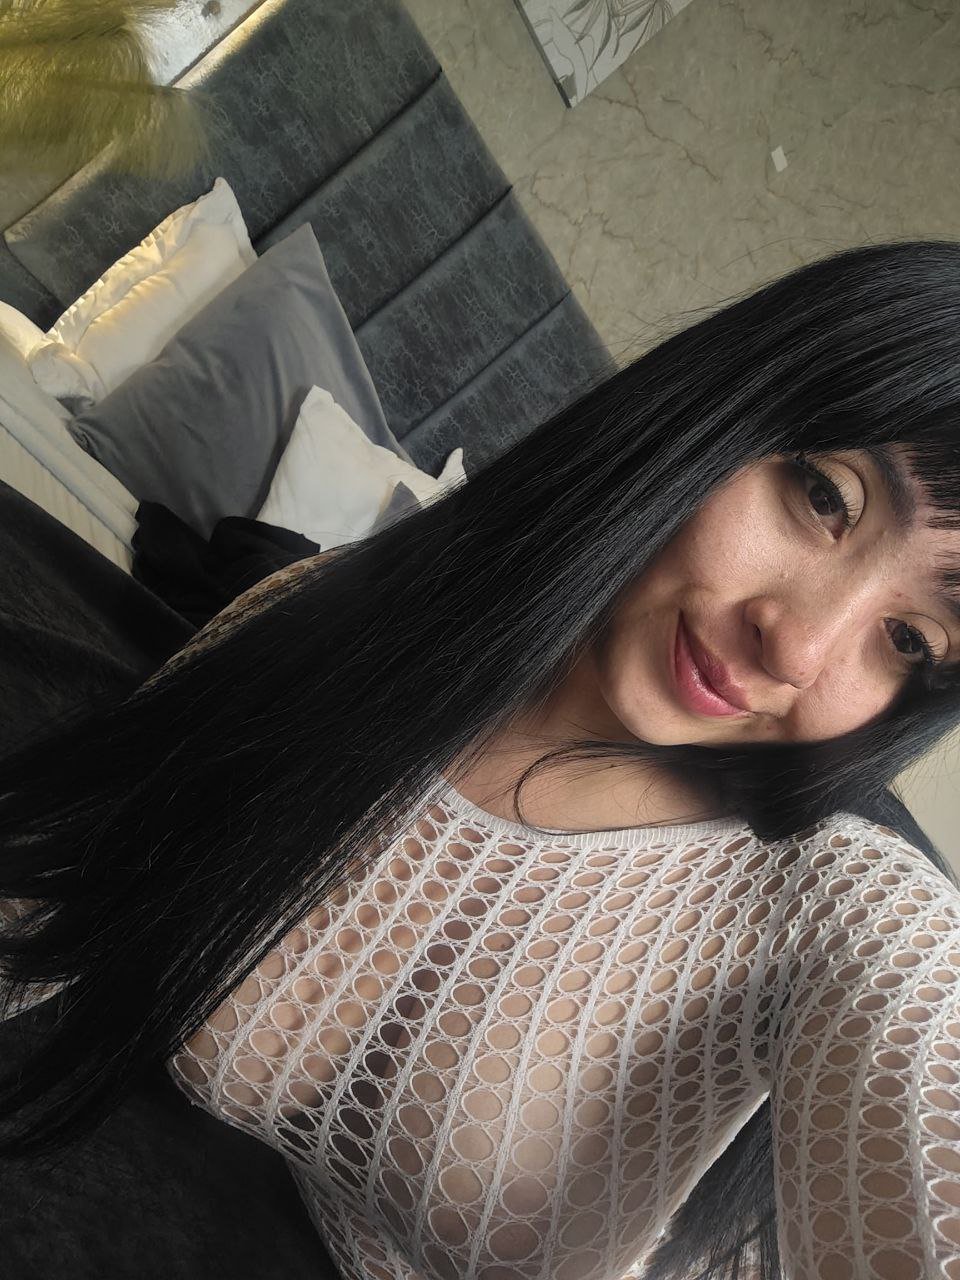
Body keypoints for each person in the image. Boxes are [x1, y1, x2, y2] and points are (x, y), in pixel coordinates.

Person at [2, 238, 960, 1280]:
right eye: (827, 497)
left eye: (908, 639)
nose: (800, 647)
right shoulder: (335, 611)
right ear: (713, 413)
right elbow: (73, 893)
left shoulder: (840, 912)